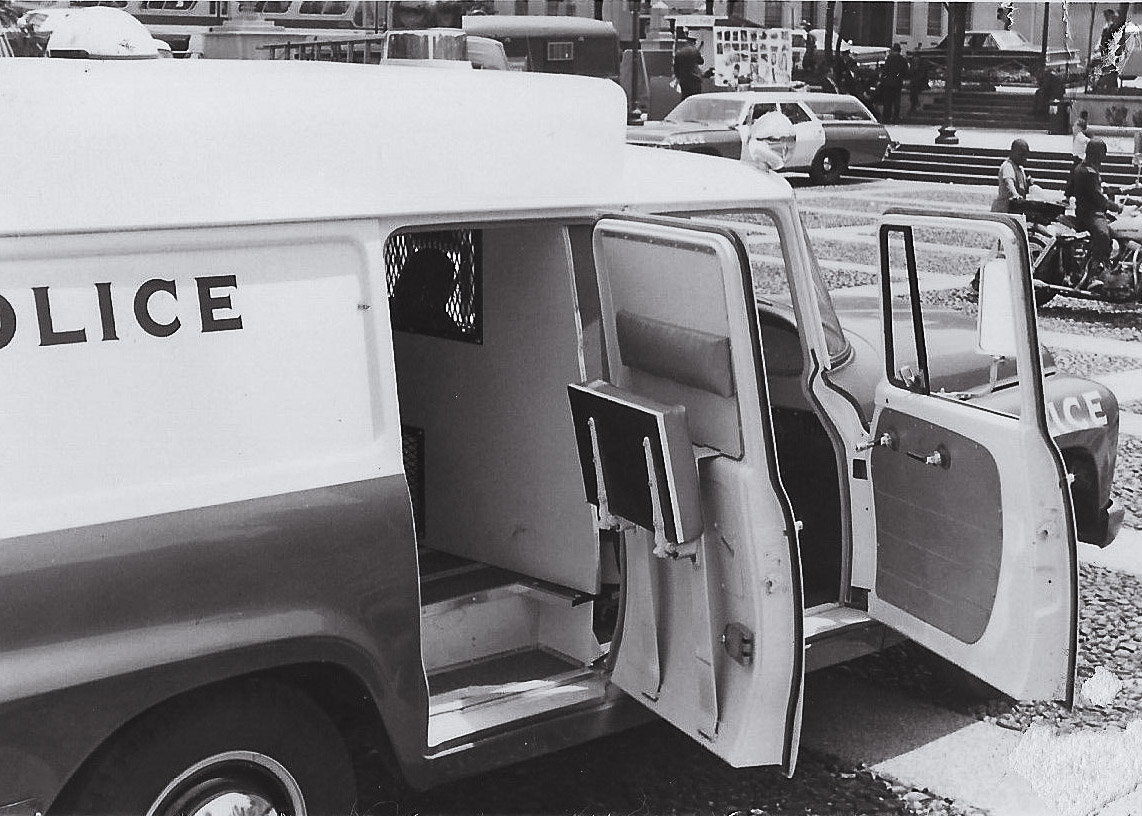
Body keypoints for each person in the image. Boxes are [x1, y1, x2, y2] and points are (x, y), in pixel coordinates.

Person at [1070, 138, 1122, 290]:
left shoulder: (1082, 168)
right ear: (1097, 154)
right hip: (1090, 213)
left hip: (1088, 211)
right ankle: (1094, 274)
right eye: (1102, 154)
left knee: (1113, 229)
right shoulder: (1088, 172)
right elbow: (1098, 198)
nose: (1103, 158)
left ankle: (1110, 265)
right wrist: (1115, 206)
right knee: (1103, 235)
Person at [992, 138, 1033, 213]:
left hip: (1016, 207)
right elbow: (1009, 182)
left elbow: (1022, 189)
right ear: (1013, 153)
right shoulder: (1007, 166)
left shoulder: (1020, 169)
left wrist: (1028, 184)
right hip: (1005, 208)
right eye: (1021, 155)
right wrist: (1015, 195)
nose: (1024, 158)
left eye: (1025, 155)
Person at [672, 30, 711, 100]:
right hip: (695, 79)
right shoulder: (695, 51)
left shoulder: (680, 52)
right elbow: (701, 61)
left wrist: (679, 77)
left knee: (685, 98)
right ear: (694, 42)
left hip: (684, 80)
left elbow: (676, 68)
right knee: (695, 99)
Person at [877, 43, 908, 124]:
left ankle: (886, 118)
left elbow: (885, 71)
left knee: (887, 102)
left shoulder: (889, 59)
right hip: (898, 83)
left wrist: (882, 80)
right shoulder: (903, 60)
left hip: (888, 83)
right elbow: (905, 72)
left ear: (893, 50)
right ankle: (895, 118)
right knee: (896, 102)